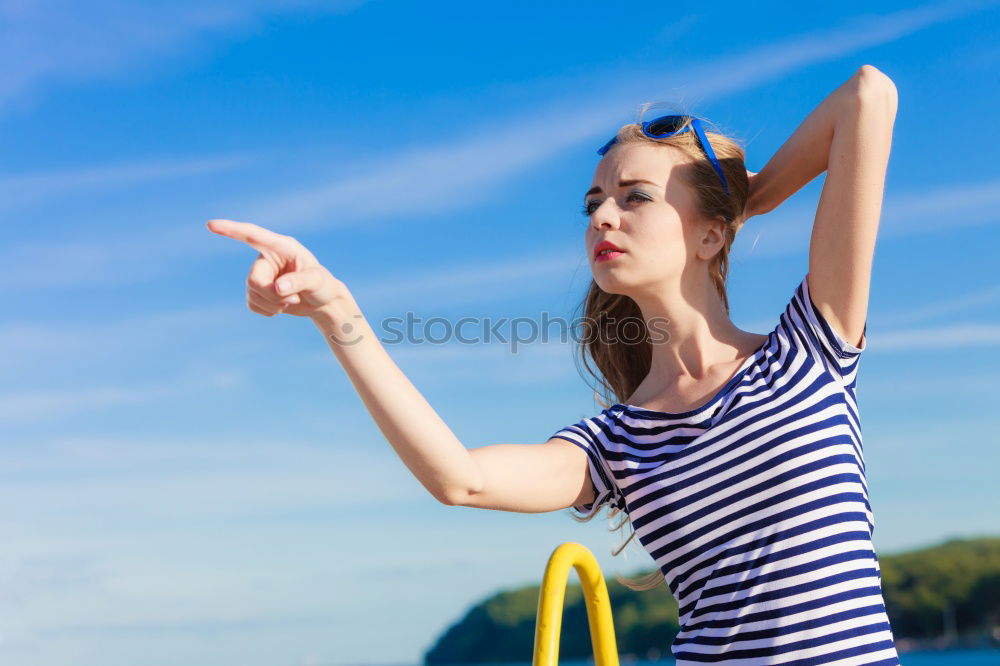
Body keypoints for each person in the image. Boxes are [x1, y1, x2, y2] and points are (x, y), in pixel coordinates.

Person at [207, 64, 899, 665]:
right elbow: (461, 479)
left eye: (635, 197)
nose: (603, 217)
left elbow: (867, 98)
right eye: (594, 203)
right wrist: (338, 313)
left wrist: (748, 198)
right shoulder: (615, 443)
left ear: (710, 232)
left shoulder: (810, 350)